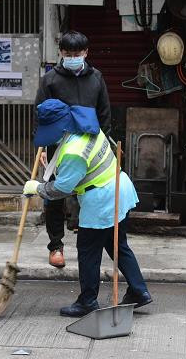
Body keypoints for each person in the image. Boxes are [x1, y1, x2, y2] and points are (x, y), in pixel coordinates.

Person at [24, 99, 152, 317]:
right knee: (118, 245)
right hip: (119, 188)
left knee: (88, 251)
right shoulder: (86, 125)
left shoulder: (74, 151)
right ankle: (139, 291)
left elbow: (62, 188)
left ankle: (87, 302)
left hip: (101, 200)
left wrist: (37, 188)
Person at [34, 30, 112, 269]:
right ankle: (56, 246)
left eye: (77, 54)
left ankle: (89, 245)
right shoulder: (50, 80)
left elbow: (104, 113)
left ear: (86, 53)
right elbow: (41, 114)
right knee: (55, 195)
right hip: (59, 147)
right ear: (61, 53)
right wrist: (43, 147)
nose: (73, 58)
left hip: (90, 147)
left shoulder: (96, 78)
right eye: (68, 54)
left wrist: (106, 143)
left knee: (89, 193)